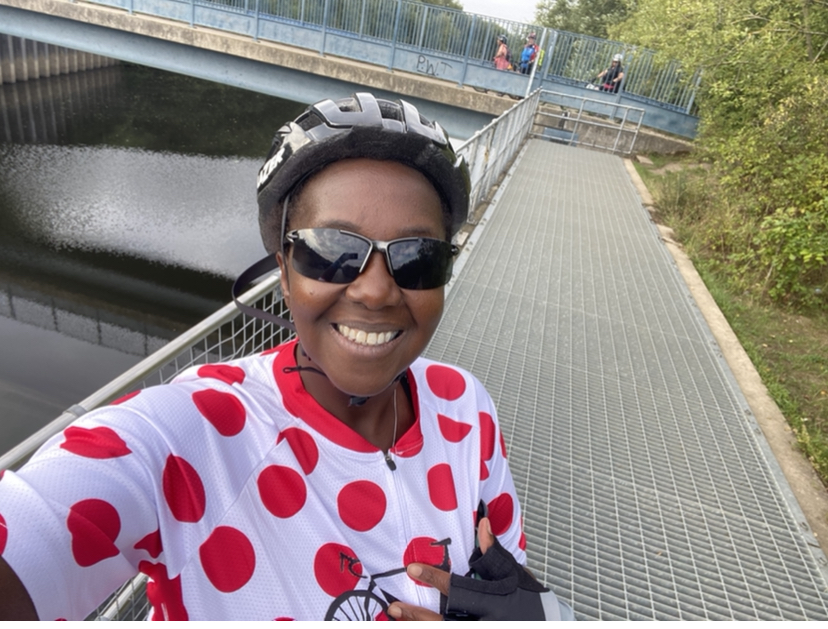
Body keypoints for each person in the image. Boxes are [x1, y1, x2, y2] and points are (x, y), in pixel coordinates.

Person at [0, 93, 574, 621]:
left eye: (417, 257)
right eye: (332, 251)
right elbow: (42, 522)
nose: (375, 291)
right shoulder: (195, 433)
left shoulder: (466, 405)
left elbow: (505, 576)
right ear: (282, 269)